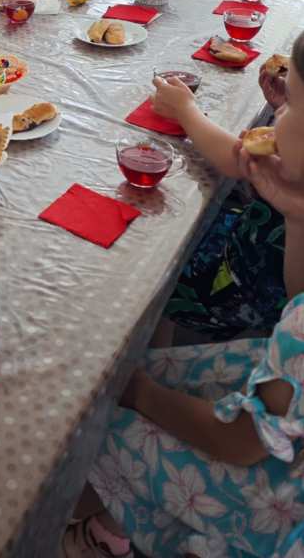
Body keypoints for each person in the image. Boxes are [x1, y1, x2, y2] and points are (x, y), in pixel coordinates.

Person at [61, 31, 304, 558]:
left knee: (80, 417)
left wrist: (138, 393)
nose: (277, 116)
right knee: (154, 365)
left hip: (275, 502)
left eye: (293, 107)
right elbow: (298, 298)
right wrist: (295, 215)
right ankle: (118, 518)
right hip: (275, 377)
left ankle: (104, 530)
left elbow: (243, 443)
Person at [151, 53, 296, 344]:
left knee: (153, 255)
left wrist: (185, 109)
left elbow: (233, 161)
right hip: (256, 240)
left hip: (241, 286)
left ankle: (149, 351)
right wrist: (285, 107)